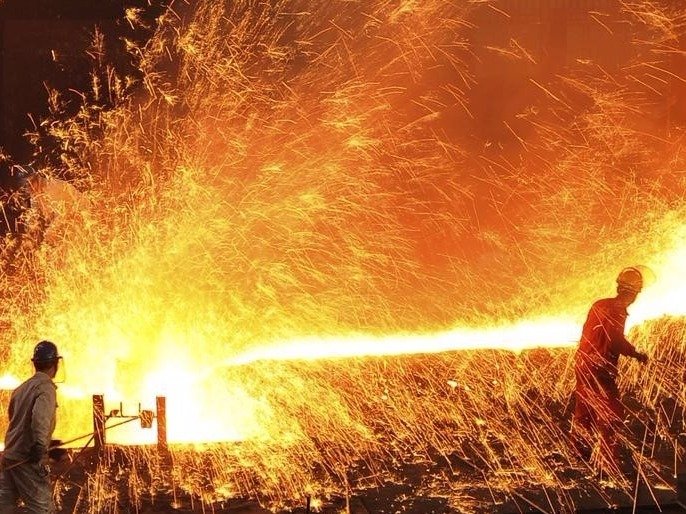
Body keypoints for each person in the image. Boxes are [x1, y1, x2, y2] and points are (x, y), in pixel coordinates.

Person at [571, 267, 649, 472]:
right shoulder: (617, 309)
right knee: (611, 415)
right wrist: (636, 354)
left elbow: (590, 334)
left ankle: (579, 459)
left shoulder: (600, 304)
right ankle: (608, 466)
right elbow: (615, 341)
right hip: (600, 368)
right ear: (633, 292)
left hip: (583, 363)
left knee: (585, 412)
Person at [0, 341, 60, 514]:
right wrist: (41, 445)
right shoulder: (46, 388)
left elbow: (16, 422)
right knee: (43, 510)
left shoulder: (21, 388)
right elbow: (39, 418)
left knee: (4, 508)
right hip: (26, 460)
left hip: (9, 457)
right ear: (55, 364)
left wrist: (51, 443)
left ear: (35, 363)